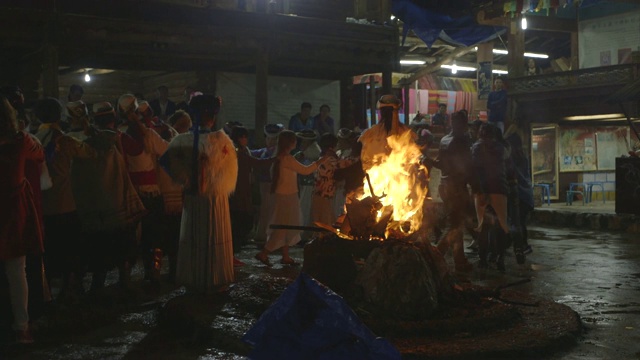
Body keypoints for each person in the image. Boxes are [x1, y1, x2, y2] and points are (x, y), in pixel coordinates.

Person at [160, 94, 238, 294]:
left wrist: (187, 177)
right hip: (214, 198)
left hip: (198, 197)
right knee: (213, 233)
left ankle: (196, 278)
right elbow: (230, 171)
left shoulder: (184, 140)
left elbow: (167, 163)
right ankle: (214, 277)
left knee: (197, 234)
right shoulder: (222, 140)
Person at [70, 102, 146, 291]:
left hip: (95, 205)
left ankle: (97, 286)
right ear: (114, 119)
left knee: (99, 248)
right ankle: (124, 281)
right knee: (124, 243)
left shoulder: (85, 144)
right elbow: (137, 150)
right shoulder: (118, 139)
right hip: (120, 201)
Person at [34, 98, 97, 301]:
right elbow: (90, 152)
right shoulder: (64, 140)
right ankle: (67, 291)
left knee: (49, 250)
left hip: (41, 206)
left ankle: (46, 291)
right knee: (69, 250)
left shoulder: (32, 139)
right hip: (64, 203)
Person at [0, 96, 44, 344]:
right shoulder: (21, 141)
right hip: (13, 208)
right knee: (16, 270)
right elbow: (39, 156)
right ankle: (21, 327)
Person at [254, 130, 327, 267]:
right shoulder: (287, 159)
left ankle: (285, 256)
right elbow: (306, 170)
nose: (296, 142)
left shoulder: (280, 157)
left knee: (286, 226)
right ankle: (264, 253)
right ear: (290, 143)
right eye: (294, 140)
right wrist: (321, 160)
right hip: (287, 197)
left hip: (284, 196)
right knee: (283, 227)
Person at [421, 110, 475, 272]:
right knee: (455, 225)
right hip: (457, 187)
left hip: (444, 186)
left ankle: (460, 260)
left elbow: (440, 164)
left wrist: (428, 161)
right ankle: (437, 254)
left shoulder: (445, 140)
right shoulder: (463, 140)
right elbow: (467, 166)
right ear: (463, 123)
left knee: (456, 222)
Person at [471, 123, 512, 271]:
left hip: (482, 191)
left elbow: (476, 169)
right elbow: (507, 163)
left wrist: (481, 191)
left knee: (483, 226)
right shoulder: (501, 148)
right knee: (501, 225)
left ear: (480, 133)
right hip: (500, 189)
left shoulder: (476, 147)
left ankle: (483, 260)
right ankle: (500, 258)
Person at [311, 133, 355, 230]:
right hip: (324, 196)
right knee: (324, 222)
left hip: (319, 194)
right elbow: (345, 164)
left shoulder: (322, 158)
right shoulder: (330, 159)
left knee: (320, 220)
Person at [504, 122, 535, 255]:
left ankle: (520, 246)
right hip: (526, 193)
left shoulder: (511, 158)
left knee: (516, 222)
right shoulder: (523, 156)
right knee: (521, 222)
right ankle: (523, 245)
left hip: (518, 193)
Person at [253, 123, 284, 245]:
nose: (269, 140)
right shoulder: (266, 151)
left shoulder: (276, 152)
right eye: (268, 138)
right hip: (264, 184)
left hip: (271, 184)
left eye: (273, 138)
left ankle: (266, 233)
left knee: (268, 209)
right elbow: (253, 153)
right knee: (266, 209)